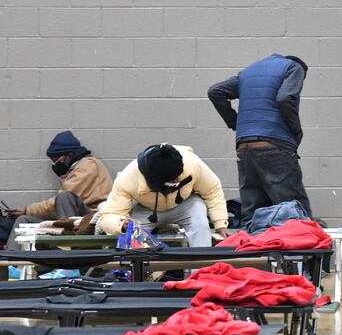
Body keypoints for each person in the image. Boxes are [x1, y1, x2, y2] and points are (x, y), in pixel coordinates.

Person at [208, 54, 313, 227]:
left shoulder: (248, 72)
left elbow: (215, 92)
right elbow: (285, 98)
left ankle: (254, 242)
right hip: (274, 144)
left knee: (253, 215)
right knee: (295, 212)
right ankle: (304, 244)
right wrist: (296, 132)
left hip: (244, 146)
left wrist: (236, 123)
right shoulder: (295, 67)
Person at [97, 144, 229, 247]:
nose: (178, 180)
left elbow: (213, 191)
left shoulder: (193, 164)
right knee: (131, 234)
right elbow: (110, 214)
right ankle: (134, 271)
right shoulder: (128, 178)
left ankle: (202, 270)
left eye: (179, 175)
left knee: (200, 222)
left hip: (186, 204)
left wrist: (220, 224)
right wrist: (122, 224)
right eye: (173, 179)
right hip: (146, 210)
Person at [6, 131, 112, 250]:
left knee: (65, 197)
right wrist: (26, 213)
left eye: (56, 160)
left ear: (68, 155)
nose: (54, 164)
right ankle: (12, 259)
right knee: (23, 220)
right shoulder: (74, 169)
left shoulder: (88, 165)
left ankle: (69, 250)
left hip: (91, 220)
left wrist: (28, 210)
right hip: (74, 219)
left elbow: (57, 203)